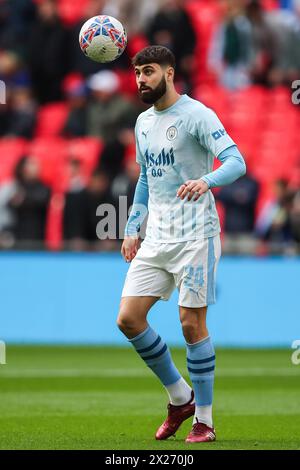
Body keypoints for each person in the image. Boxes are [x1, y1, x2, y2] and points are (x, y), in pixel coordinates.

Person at [117, 45, 246, 443]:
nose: (142, 80)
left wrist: (206, 180)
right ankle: (179, 396)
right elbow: (144, 180)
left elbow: (236, 161)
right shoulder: (142, 122)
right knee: (128, 319)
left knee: (191, 324)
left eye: (149, 72)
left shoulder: (196, 115)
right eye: (138, 73)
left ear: (170, 73)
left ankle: (203, 420)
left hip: (195, 236)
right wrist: (132, 226)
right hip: (157, 236)